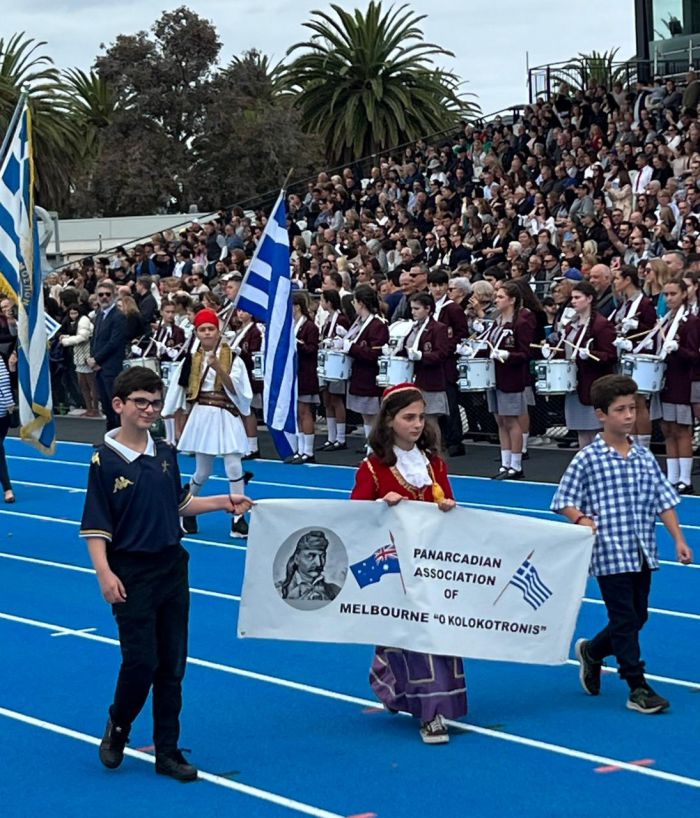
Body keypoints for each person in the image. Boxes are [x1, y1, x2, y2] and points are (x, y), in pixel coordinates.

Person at [80, 366, 253, 779]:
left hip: (171, 567)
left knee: (173, 664)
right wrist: (104, 573)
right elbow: (95, 525)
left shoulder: (165, 454)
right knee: (141, 661)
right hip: (131, 571)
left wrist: (223, 501)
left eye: (156, 403)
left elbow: (178, 505)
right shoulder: (103, 461)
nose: (150, 409)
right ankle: (118, 725)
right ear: (119, 405)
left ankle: (168, 750)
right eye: (141, 402)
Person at [551, 374, 692, 714]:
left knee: (638, 615)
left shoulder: (643, 456)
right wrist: (582, 519)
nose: (629, 416)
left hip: (642, 549)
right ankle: (636, 685)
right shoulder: (588, 458)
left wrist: (679, 538)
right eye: (620, 410)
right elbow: (564, 499)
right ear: (601, 414)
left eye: (633, 408)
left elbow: (663, 500)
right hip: (610, 553)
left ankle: (593, 652)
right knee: (624, 616)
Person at [350, 383, 467, 743]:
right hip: (394, 567)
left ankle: (428, 704)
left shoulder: (433, 464)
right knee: (410, 634)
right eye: (408, 417)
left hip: (431, 562)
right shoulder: (372, 468)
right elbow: (353, 515)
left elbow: (447, 501)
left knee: (435, 632)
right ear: (389, 421)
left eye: (420, 417)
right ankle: (427, 711)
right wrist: (379, 506)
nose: (417, 424)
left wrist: (446, 506)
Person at [163, 308, 253, 538]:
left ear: (218, 330)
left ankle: (238, 518)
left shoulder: (233, 358)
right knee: (203, 471)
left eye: (211, 329)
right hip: (202, 416)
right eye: (202, 329)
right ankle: (186, 510)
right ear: (196, 333)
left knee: (234, 464)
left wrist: (218, 368)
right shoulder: (191, 360)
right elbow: (179, 389)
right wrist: (169, 414)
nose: (207, 333)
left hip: (225, 413)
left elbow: (239, 391)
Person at [545, 281, 617, 449]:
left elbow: (611, 355)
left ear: (590, 298)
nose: (573, 301)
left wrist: (592, 355)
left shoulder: (601, 324)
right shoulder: (572, 326)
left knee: (597, 431)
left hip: (593, 384)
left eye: (578, 298)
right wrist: (554, 351)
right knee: (582, 431)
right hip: (575, 383)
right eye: (572, 298)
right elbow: (568, 351)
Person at [655, 278, 700, 494]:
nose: (669, 298)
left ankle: (685, 478)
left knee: (682, 430)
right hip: (666, 380)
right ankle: (672, 476)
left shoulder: (690, 321)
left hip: (682, 380)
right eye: (666, 294)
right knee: (668, 429)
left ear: (684, 294)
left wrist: (678, 349)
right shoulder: (664, 320)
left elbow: (694, 355)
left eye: (673, 294)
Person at [286, 293, 321, 464]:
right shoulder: (293, 326)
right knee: (298, 412)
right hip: (295, 374)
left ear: (297, 306)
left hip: (306, 373)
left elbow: (313, 349)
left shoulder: (309, 327)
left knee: (305, 412)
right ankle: (300, 449)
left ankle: (308, 450)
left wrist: (298, 344)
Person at [88, 280, 127, 431]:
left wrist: (97, 359)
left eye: (107, 294)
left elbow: (114, 342)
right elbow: (95, 339)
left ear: (114, 295)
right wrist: (93, 359)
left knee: (115, 405)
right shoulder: (99, 315)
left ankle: (119, 438)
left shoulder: (118, 316)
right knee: (105, 405)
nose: (104, 297)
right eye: (101, 294)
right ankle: (109, 438)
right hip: (99, 368)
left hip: (112, 368)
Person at [317, 289, 351, 452]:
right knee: (327, 400)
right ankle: (331, 437)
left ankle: (341, 437)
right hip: (326, 362)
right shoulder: (328, 319)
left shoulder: (341, 319)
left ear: (329, 302)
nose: (320, 303)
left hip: (336, 364)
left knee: (336, 400)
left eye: (322, 300)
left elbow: (347, 339)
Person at [275, 530, 341, 601]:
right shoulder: (278, 591)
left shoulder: (336, 591)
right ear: (297, 559)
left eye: (322, 556)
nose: (319, 563)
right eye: (311, 555)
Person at [0, 352, 15, 503]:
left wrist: (9, 404)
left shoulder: (2, 357)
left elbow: (5, 382)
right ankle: (7, 488)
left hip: (2, 412)